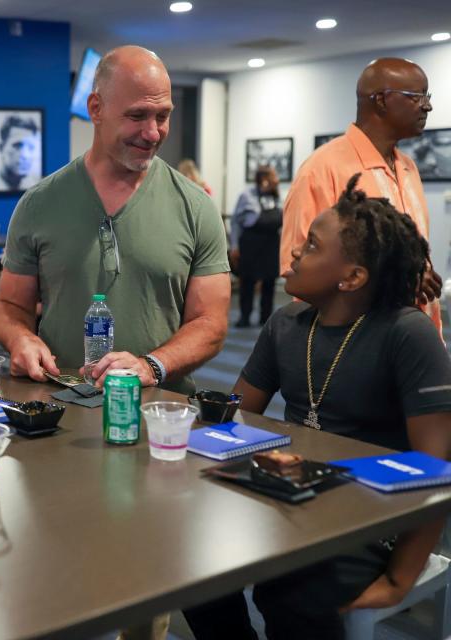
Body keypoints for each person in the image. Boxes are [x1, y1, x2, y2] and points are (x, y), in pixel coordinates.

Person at [184, 174, 451, 640]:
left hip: (371, 519)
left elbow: (437, 468)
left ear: (352, 277)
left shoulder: (408, 334)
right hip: (293, 496)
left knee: (292, 588)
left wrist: (397, 578)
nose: (293, 253)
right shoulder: (286, 324)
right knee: (187, 555)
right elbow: (234, 417)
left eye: (310, 246)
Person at [0, 45, 231, 397]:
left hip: (160, 409)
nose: (152, 133)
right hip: (62, 406)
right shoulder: (38, 204)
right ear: (96, 108)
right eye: (137, 116)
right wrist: (21, 339)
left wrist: (151, 366)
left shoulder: (196, 207)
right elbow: (11, 306)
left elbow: (210, 323)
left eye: (162, 116)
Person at [280, 56, 442, 330]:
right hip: (357, 342)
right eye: (416, 96)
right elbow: (298, 271)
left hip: (416, 334)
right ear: (380, 100)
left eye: (427, 95)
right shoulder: (322, 168)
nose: (427, 105)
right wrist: (400, 279)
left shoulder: (408, 167)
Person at [231, 165, 282, 327]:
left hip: (271, 244)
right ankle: (244, 317)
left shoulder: (277, 196)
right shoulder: (247, 196)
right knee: (247, 282)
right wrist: (234, 245)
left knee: (269, 282)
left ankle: (265, 318)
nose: (277, 180)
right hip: (251, 243)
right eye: (274, 176)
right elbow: (236, 222)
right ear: (264, 179)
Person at [0, 114, 41, 192]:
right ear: (1, 148)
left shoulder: (34, 186)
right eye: (18, 146)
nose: (25, 155)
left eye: (30, 147)